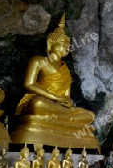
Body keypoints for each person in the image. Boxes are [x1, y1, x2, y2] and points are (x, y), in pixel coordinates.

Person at [12, 14, 98, 148]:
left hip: (57, 108)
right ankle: (63, 121)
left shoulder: (66, 69)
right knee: (37, 104)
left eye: (68, 45)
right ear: (50, 43)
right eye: (63, 44)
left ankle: (60, 121)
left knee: (90, 116)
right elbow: (28, 84)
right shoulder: (38, 61)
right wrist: (53, 97)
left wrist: (67, 102)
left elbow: (66, 97)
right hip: (43, 101)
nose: (66, 47)